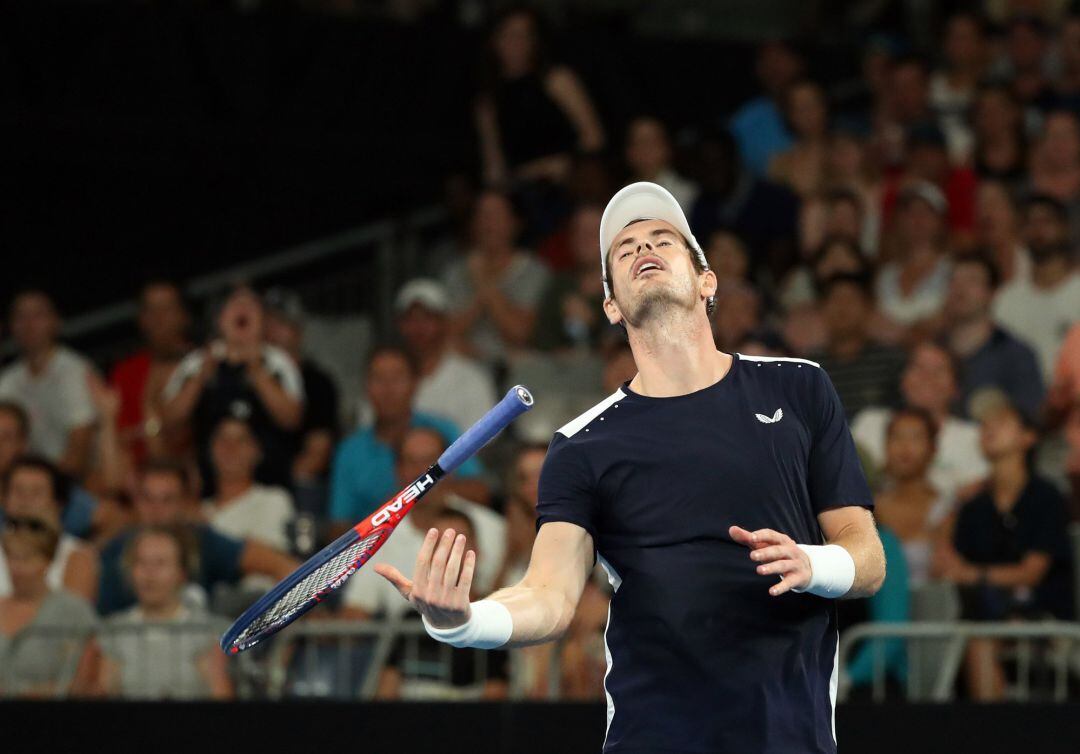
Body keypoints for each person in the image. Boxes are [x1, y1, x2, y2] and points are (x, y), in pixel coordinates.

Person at [374, 182, 885, 753]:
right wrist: (464, 623)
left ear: (706, 280)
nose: (644, 247)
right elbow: (549, 594)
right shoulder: (582, 445)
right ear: (611, 304)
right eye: (625, 249)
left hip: (792, 736)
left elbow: (867, 557)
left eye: (663, 239)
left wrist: (812, 564)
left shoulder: (800, 386)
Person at [938, 399, 1075, 700]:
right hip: (985, 616)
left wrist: (974, 574)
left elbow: (1032, 572)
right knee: (975, 639)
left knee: (980, 640)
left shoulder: (1046, 497)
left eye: (1001, 422)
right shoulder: (973, 507)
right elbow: (948, 567)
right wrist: (953, 507)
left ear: (1028, 437)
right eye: (984, 425)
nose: (988, 429)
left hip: (1043, 619)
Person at [97, 460, 298, 615]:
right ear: (135, 502)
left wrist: (299, 605)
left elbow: (279, 565)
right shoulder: (114, 553)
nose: (156, 510)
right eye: (148, 499)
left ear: (185, 503)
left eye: (167, 500)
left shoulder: (204, 541)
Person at [341, 427, 501, 619]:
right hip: (408, 647)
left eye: (431, 462)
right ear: (397, 470)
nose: (422, 472)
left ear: (452, 467)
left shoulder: (493, 527)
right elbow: (355, 612)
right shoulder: (379, 537)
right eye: (412, 461)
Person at [161, 285, 304, 490]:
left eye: (251, 305)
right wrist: (202, 376)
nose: (242, 309)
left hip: (270, 485)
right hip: (209, 489)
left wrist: (256, 370)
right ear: (219, 319)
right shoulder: (195, 363)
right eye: (235, 303)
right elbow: (170, 418)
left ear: (263, 320)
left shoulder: (278, 362)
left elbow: (292, 418)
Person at [328, 346, 488, 528]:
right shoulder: (349, 450)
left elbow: (479, 492)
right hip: (379, 548)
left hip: (444, 535)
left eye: (397, 378)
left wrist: (421, 492)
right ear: (366, 386)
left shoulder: (444, 430)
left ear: (415, 383)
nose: (388, 389)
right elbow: (338, 524)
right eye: (378, 378)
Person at [375, 507, 509, 701]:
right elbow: (386, 690)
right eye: (439, 544)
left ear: (477, 551)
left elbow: (496, 692)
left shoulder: (493, 618)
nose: (448, 554)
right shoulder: (409, 619)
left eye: (458, 543)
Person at [97, 525, 232, 700]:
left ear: (182, 573)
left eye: (160, 563)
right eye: (141, 563)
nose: (149, 573)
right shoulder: (112, 632)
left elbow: (222, 698)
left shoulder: (211, 633)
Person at [474, 7, 604, 187]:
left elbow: (594, 137)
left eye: (524, 35)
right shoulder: (488, 101)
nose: (517, 43)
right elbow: (494, 167)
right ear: (494, 40)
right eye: (509, 35)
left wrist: (564, 163)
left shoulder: (557, 80)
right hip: (523, 188)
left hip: (569, 179)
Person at [851, 341, 989, 501]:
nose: (927, 377)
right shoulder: (870, 422)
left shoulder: (974, 437)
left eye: (939, 370)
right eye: (918, 368)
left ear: (956, 387)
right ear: (902, 380)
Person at [442, 190, 551, 365]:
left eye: (496, 216)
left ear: (515, 222)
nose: (489, 224)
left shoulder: (535, 271)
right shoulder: (455, 272)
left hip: (516, 368)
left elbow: (519, 333)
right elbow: (445, 333)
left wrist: (483, 282)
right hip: (466, 365)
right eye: (483, 216)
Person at [0, 290, 96, 478]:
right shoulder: (8, 380)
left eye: (38, 315)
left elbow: (80, 448)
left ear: (56, 322)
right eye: (21, 316)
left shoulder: (75, 372)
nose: (29, 324)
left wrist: (47, 487)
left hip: (75, 481)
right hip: (26, 482)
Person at [0, 521, 99, 698]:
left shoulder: (73, 611)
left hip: (53, 716)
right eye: (11, 557)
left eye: (26, 559)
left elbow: (85, 681)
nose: (16, 568)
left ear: (47, 561)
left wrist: (26, 695)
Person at [943, 256, 1045, 421]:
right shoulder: (930, 350)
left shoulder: (1017, 356)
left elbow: (1029, 421)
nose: (960, 288)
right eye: (953, 280)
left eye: (972, 280)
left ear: (992, 292)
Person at [262, 288, 339, 495]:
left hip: (292, 491)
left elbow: (316, 456)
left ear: (298, 330)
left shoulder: (317, 383)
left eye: (281, 324)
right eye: (265, 324)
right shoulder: (241, 376)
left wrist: (276, 496)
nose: (271, 332)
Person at [109, 279, 192, 465]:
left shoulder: (201, 364)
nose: (158, 318)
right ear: (141, 318)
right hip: (138, 475)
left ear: (184, 315)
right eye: (150, 310)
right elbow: (121, 437)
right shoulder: (126, 371)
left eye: (167, 309)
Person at [395, 279, 497, 431]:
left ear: (445, 323)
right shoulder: (385, 379)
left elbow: (484, 443)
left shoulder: (472, 378)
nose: (419, 327)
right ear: (399, 325)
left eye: (427, 318)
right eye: (411, 319)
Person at [871, 408, 952, 587]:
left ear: (933, 448)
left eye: (916, 438)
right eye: (897, 437)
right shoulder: (868, 507)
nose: (905, 447)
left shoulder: (945, 509)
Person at [0, 456, 99, 603]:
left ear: (58, 503)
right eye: (18, 491)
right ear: (4, 500)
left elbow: (75, 617)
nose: (25, 500)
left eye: (36, 492)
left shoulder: (77, 554)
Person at [813, 273, 906, 420]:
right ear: (822, 309)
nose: (842, 308)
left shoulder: (891, 360)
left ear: (868, 308)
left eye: (850, 300)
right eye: (835, 300)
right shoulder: (810, 365)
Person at [202, 417, 295, 554]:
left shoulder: (273, 500)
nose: (230, 447)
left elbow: (270, 559)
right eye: (222, 439)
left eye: (241, 440)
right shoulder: (200, 510)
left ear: (258, 451)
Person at [876, 181, 953, 333]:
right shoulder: (885, 275)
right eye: (910, 213)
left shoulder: (953, 271)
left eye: (926, 213)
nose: (917, 220)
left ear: (940, 222)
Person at [533, 204, 612, 352]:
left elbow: (625, 345)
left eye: (591, 233)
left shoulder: (621, 287)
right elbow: (540, 337)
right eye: (578, 232)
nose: (583, 240)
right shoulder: (560, 284)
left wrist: (594, 323)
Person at [729, 40, 803, 176]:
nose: (773, 68)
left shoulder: (829, 115)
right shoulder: (745, 120)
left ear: (798, 62)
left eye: (780, 59)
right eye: (766, 60)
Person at [769, 80, 830, 198]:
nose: (808, 114)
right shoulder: (779, 163)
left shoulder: (847, 151)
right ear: (790, 115)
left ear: (825, 107)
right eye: (800, 108)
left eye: (813, 105)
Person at [623, 117, 698, 209]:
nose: (645, 149)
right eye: (637, 142)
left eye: (652, 142)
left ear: (667, 147)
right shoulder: (622, 196)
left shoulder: (689, 194)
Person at [975, 180, 1031, 285]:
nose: (986, 213)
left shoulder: (1033, 262)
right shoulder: (969, 266)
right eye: (980, 206)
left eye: (994, 204)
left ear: (1015, 213)